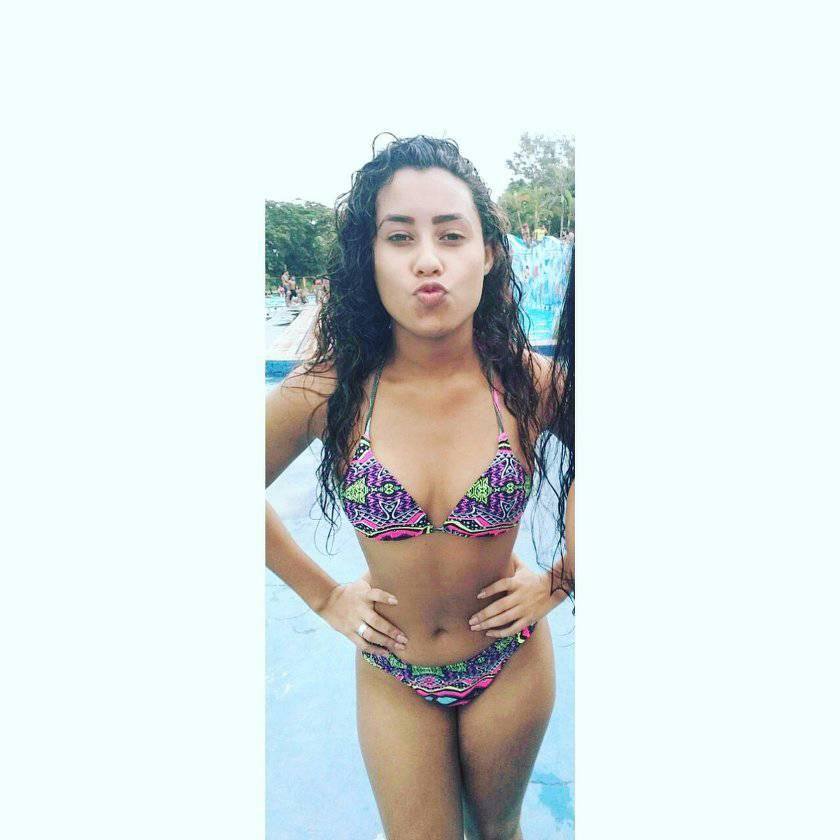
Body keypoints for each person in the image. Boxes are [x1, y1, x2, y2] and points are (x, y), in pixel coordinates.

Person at [266, 135, 570, 839]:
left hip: (510, 661)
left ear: (488, 253)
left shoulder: (528, 384)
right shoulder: (331, 389)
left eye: (451, 235)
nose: (427, 259)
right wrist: (322, 595)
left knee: (498, 833)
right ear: (369, 256)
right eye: (400, 236)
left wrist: (562, 579)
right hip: (395, 673)